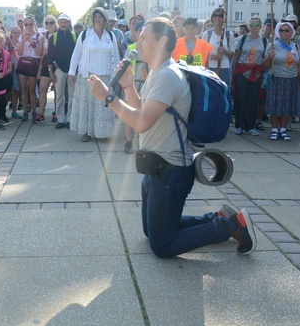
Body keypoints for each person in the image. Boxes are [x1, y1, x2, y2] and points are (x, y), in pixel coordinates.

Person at [87, 17, 256, 258]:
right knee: (152, 232)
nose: (138, 42)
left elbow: (141, 123)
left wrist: (108, 97)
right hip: (157, 165)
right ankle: (217, 217)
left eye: (144, 37)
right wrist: (127, 87)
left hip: (171, 170)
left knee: (162, 246)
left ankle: (231, 226)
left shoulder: (167, 76)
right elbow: (144, 112)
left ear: (163, 40)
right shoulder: (159, 72)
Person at [68, 7, 121, 142]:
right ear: (92, 19)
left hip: (106, 77)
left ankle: (103, 133)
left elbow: (116, 55)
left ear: (104, 19)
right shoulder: (85, 34)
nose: (98, 19)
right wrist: (71, 73)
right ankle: (86, 132)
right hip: (87, 76)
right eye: (95, 17)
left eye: (100, 17)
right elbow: (76, 54)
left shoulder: (110, 36)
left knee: (103, 105)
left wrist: (117, 74)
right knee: (87, 105)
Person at [265, 22, 300, 141]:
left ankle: (283, 129)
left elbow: (299, 65)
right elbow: (264, 65)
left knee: (287, 105)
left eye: (287, 30)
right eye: (281, 30)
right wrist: (269, 57)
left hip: (291, 79)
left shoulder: (295, 47)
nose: (284, 33)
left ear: (291, 32)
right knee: (275, 105)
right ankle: (274, 129)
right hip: (276, 78)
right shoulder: (273, 45)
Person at [231, 17, 268, 136]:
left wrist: (270, 57)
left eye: (256, 24)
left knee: (253, 100)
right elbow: (236, 57)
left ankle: (250, 126)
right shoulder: (242, 39)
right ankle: (239, 125)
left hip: (256, 73)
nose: (254, 27)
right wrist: (233, 73)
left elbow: (265, 58)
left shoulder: (264, 41)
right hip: (242, 71)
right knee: (240, 99)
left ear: (260, 26)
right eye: (251, 25)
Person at [122, 20, 149, 153]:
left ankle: (141, 141)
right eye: (139, 31)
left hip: (146, 84)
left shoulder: (152, 48)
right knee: (129, 112)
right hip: (133, 84)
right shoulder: (131, 48)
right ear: (136, 32)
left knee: (144, 114)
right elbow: (125, 66)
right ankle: (128, 140)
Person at [46, 13, 77, 129]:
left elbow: (78, 54)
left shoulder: (74, 36)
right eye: (61, 22)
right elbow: (49, 56)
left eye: (66, 22)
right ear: (58, 23)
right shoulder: (53, 37)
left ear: (69, 23)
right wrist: (50, 72)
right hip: (58, 69)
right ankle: (60, 119)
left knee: (72, 96)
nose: (63, 24)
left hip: (72, 71)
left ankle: (70, 119)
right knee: (59, 95)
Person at [17, 16, 42, 121]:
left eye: (30, 24)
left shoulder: (39, 36)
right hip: (22, 62)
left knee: (32, 89)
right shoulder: (21, 36)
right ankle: (25, 112)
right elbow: (19, 52)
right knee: (23, 89)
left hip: (33, 63)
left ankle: (34, 112)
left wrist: (32, 41)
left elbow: (39, 53)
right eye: (26, 24)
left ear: (34, 25)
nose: (28, 26)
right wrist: (24, 40)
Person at [201, 7, 235, 84]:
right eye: (215, 15)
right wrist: (213, 56)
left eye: (220, 16)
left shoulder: (229, 34)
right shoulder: (207, 34)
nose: (217, 18)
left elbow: (232, 53)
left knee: (223, 91)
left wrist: (225, 52)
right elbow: (202, 54)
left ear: (224, 18)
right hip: (210, 67)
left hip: (224, 67)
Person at [36, 15, 58, 123]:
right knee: (42, 89)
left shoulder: (59, 35)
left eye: (52, 22)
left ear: (55, 23)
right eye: (47, 23)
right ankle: (41, 113)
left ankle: (57, 112)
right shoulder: (44, 36)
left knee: (57, 91)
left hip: (57, 65)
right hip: (46, 64)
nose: (49, 25)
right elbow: (43, 54)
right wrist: (39, 70)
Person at [8, 25, 22, 119]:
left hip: (19, 70)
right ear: (11, 34)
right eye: (14, 32)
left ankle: (14, 111)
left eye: (18, 32)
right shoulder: (7, 44)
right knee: (8, 92)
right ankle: (2, 112)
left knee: (16, 91)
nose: (16, 34)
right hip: (9, 70)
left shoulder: (22, 43)